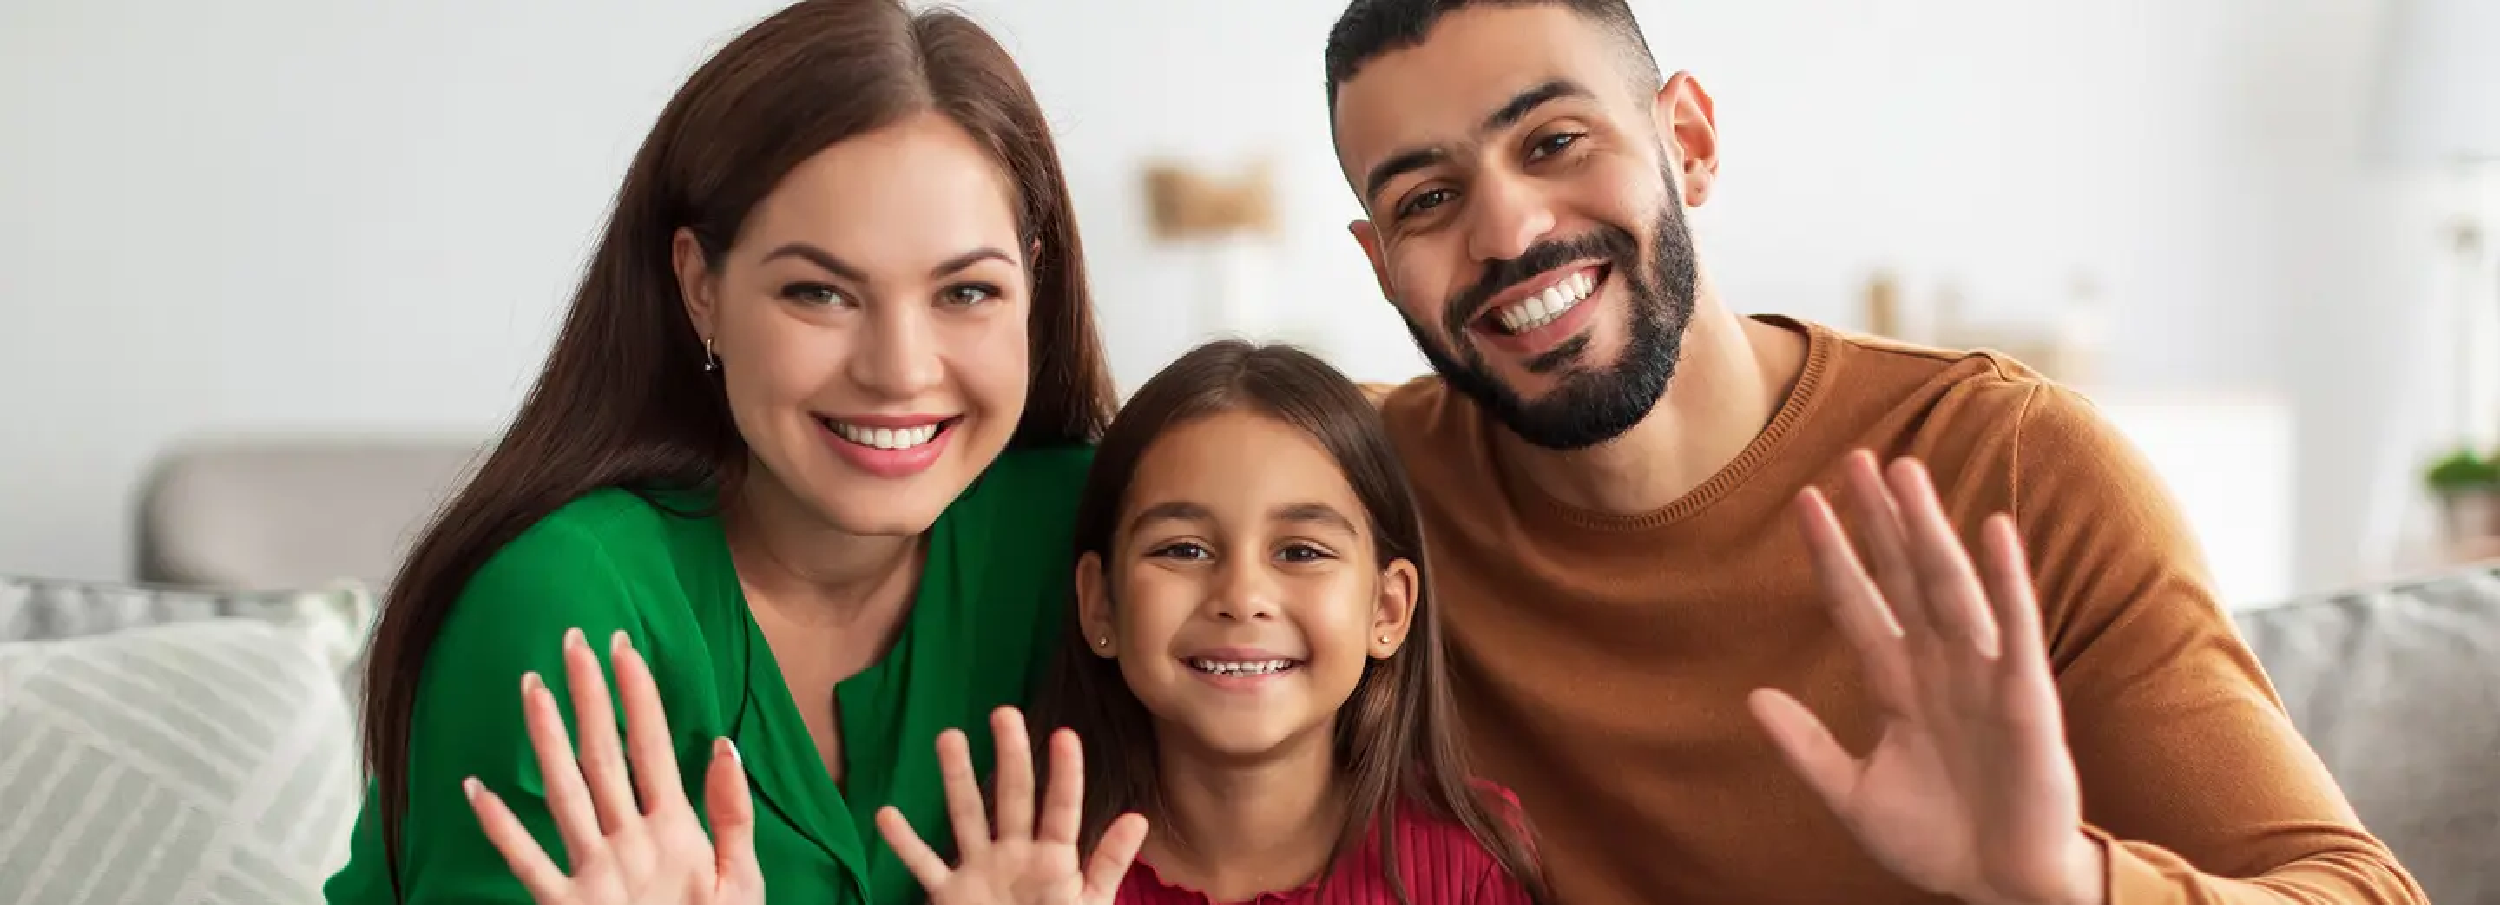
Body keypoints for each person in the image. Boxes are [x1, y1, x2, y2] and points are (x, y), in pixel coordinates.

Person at [1321, 1, 2427, 903]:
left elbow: (2356, 889)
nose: (1509, 232)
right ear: (1381, 265)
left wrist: (2064, 877)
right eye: (1427, 199)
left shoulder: (2008, 467)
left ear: (1689, 143)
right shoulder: (1341, 502)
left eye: (1555, 141)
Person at [322, 0, 1117, 901]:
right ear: (701, 288)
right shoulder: (566, 606)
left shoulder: (1107, 544)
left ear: (1034, 285)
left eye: (967, 291)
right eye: (819, 293)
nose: (901, 370)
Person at [465, 341, 1553, 905]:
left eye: (1302, 551)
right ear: (1097, 605)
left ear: (1388, 608)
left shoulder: (1463, 859)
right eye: (1180, 547)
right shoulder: (1023, 869)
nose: (1241, 592)